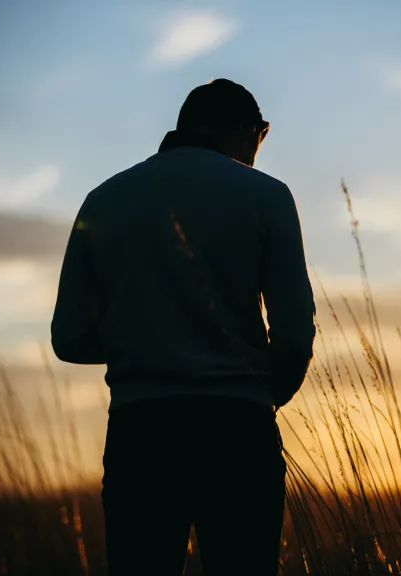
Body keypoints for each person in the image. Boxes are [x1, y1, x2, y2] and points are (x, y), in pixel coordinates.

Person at [50, 79, 316, 575]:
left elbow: (68, 337)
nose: (259, 148)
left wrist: (143, 344)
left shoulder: (103, 201)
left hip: (141, 435)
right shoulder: (268, 197)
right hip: (239, 434)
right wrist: (262, 398)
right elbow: (296, 333)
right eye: (261, 134)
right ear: (244, 130)